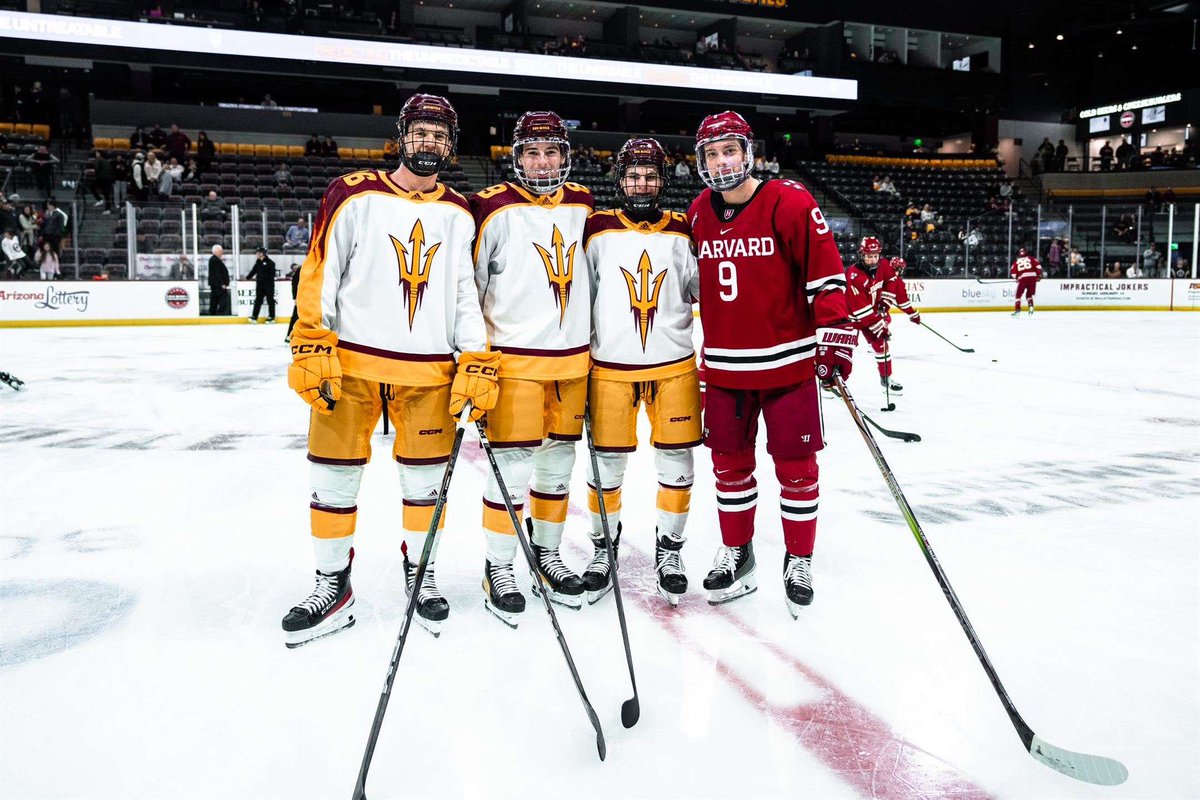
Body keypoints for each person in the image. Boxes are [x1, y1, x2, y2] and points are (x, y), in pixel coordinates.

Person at [282, 93, 493, 646]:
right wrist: (311, 342)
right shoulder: (352, 194)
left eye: (439, 135)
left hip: (428, 375)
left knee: (425, 488)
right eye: (420, 132)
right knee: (332, 480)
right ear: (402, 137)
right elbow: (320, 274)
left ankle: (420, 576)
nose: (429, 142)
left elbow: (465, 293)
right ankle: (334, 584)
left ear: (451, 145)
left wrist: (475, 356)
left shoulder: (459, 211)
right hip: (350, 368)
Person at [688, 111, 854, 616]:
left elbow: (826, 276)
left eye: (730, 150)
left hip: (788, 368)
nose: (722, 162)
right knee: (729, 470)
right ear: (701, 162)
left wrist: (834, 338)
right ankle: (738, 553)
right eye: (712, 154)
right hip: (724, 370)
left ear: (748, 151)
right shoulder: (698, 211)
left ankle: (798, 557)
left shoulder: (790, 200)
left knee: (798, 470)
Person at [468, 110, 593, 624]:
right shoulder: (490, 208)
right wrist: (472, 362)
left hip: (573, 366)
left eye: (552, 152)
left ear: (566, 156)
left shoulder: (584, 204)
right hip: (513, 364)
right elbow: (467, 290)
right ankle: (498, 566)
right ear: (516, 157)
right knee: (513, 472)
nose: (543, 163)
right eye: (532, 153)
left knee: (557, 469)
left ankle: (547, 553)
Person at [581, 138, 700, 607]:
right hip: (610, 370)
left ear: (663, 180)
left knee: (678, 466)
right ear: (620, 179)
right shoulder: (597, 229)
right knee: (606, 468)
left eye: (650, 175)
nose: (642, 183)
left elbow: (698, 290)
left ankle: (669, 552)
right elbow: (579, 299)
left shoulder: (683, 229)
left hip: (675, 369)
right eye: (634, 175)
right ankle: (601, 550)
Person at [845, 237, 907, 396]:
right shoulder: (853, 275)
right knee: (843, 350)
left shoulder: (883, 264)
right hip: (851, 318)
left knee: (882, 347)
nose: (872, 259)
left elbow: (890, 281)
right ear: (861, 255)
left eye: (875, 255)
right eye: (868, 255)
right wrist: (880, 326)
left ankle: (886, 380)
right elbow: (861, 310)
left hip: (870, 314)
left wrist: (884, 303)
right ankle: (831, 381)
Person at [246, 247, 277, 322]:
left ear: (262, 253)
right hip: (260, 285)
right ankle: (254, 316)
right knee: (258, 300)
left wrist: (265, 280)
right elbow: (253, 271)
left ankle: (271, 317)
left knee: (270, 300)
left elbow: (272, 275)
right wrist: (247, 277)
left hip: (268, 285)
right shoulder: (258, 262)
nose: (256, 254)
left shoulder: (270, 263)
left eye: (258, 252)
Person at [1011, 246, 1042, 316]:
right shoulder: (1032, 259)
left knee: (1018, 295)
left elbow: (1013, 274)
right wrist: (1039, 275)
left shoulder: (1016, 262)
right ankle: (1031, 306)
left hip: (1023, 278)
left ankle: (1018, 310)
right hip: (1033, 277)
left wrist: (1017, 278)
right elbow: (1038, 267)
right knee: (1029, 294)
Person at [207, 244, 231, 315]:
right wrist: (222, 283)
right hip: (218, 285)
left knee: (214, 300)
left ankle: (213, 314)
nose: (222, 252)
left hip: (216, 285)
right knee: (223, 300)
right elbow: (217, 273)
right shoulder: (214, 260)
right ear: (216, 251)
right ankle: (220, 314)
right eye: (220, 251)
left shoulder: (215, 260)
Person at [284, 263, 301, 342]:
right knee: (295, 316)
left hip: (316, 297)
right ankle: (289, 335)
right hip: (303, 297)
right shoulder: (302, 269)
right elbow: (294, 282)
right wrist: (295, 297)